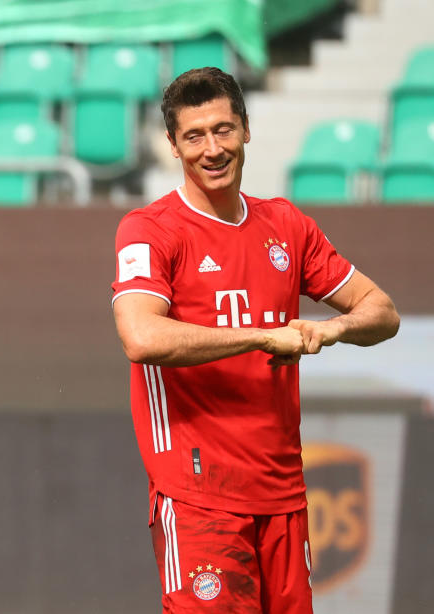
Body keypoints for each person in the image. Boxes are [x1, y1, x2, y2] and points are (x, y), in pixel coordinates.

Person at [110, 67, 398, 613]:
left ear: (246, 129)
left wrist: (332, 329)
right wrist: (260, 337)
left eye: (224, 129)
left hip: (283, 496)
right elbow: (141, 336)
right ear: (172, 146)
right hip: (199, 499)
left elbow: (381, 312)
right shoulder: (149, 229)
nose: (212, 149)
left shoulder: (287, 225)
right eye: (194, 136)